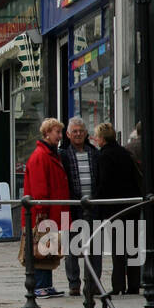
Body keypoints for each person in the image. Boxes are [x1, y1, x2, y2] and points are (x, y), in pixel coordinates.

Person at [93, 122, 143, 295]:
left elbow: (104, 183)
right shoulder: (125, 153)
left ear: (101, 138)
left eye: (97, 136)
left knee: (118, 249)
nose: (95, 139)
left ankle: (118, 285)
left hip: (114, 208)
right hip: (132, 205)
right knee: (133, 247)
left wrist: (96, 202)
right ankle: (134, 284)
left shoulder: (104, 156)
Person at [21, 118, 70, 297]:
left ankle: (46, 284)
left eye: (60, 132)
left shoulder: (50, 154)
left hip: (53, 210)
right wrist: (41, 212)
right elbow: (40, 187)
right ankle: (40, 285)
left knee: (48, 248)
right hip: (44, 212)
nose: (59, 136)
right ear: (47, 133)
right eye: (57, 132)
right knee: (41, 248)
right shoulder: (41, 156)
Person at [59, 116, 101, 294]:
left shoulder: (94, 153)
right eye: (74, 131)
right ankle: (74, 284)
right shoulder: (63, 154)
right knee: (72, 247)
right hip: (73, 205)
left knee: (95, 246)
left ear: (86, 134)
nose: (78, 134)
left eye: (81, 131)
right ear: (68, 134)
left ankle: (93, 284)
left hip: (92, 205)